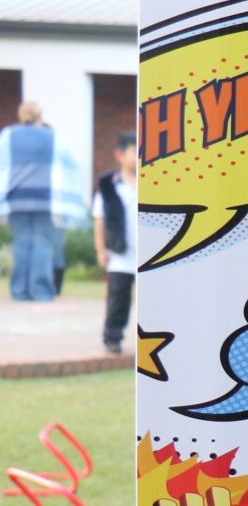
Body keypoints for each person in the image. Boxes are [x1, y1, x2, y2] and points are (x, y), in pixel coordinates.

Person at [0, 102, 88, 301]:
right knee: (43, 244)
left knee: (21, 243)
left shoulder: (8, 135)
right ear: (40, 116)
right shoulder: (53, 137)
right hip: (45, 198)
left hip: (16, 199)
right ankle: (41, 291)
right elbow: (71, 164)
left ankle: (19, 291)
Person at [91, 131, 138, 353]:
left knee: (154, 299)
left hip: (149, 254)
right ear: (120, 155)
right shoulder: (108, 186)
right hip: (121, 253)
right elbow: (99, 220)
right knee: (118, 298)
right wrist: (101, 249)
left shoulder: (154, 183)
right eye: (134, 151)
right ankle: (113, 337)